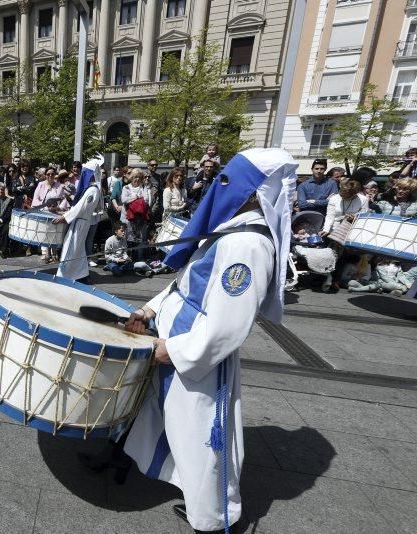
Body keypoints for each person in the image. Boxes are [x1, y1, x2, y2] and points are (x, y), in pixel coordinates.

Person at [122, 148, 298, 534]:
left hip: (193, 357)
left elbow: (229, 323)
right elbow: (186, 283)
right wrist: (151, 310)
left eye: (227, 180)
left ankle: (215, 520)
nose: (217, 186)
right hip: (173, 338)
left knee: (202, 438)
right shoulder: (231, 232)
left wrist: (178, 350)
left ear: (252, 193)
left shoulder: (247, 246)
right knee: (165, 420)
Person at [53, 156, 103, 283]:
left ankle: (63, 275)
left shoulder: (92, 190)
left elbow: (81, 207)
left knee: (71, 248)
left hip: (80, 222)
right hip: (80, 221)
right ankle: (82, 274)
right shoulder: (92, 189)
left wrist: (64, 216)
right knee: (78, 250)